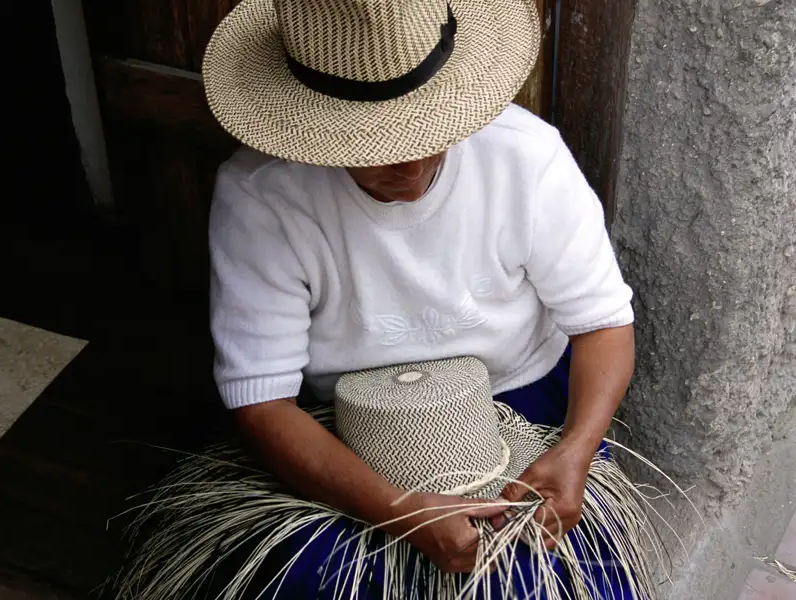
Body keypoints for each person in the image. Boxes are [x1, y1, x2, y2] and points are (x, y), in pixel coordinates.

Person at [203, 0, 637, 596]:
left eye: (426, 131)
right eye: (372, 142)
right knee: (312, 579)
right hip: (356, 429)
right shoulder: (262, 196)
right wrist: (400, 511)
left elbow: (603, 323)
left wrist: (576, 449)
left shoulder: (524, 156)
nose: (408, 164)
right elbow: (262, 400)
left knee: (548, 577)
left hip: (519, 398)